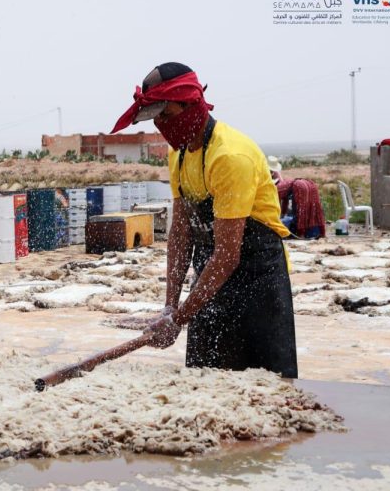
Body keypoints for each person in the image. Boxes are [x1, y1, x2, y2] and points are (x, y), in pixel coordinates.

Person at [111, 62, 297, 378]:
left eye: (166, 115)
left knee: (266, 388)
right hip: (210, 279)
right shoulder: (179, 153)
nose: (162, 125)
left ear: (191, 104)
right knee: (203, 380)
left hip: (257, 280)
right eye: (156, 119)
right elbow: (181, 234)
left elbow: (227, 255)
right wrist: (170, 307)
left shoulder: (229, 156)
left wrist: (180, 320)